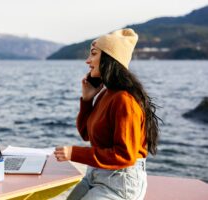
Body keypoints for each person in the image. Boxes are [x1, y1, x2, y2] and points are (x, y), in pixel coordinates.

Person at [54, 28, 160, 200]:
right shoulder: (106, 93)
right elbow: (86, 134)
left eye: (93, 54)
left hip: (121, 182)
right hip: (96, 173)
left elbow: (125, 156)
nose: (88, 61)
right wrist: (87, 100)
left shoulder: (125, 100)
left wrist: (74, 153)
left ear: (110, 59)